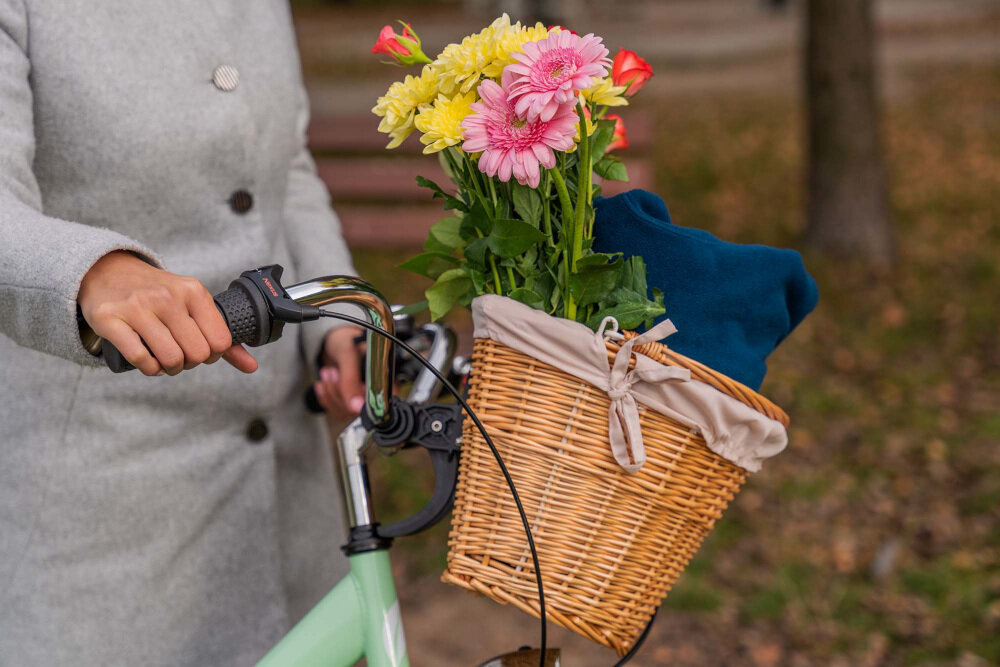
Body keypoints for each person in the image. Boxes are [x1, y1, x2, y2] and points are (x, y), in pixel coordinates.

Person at [0, 1, 365, 664]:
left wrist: (342, 324)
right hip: (101, 536)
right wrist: (88, 273)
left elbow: (289, 171)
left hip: (292, 509)